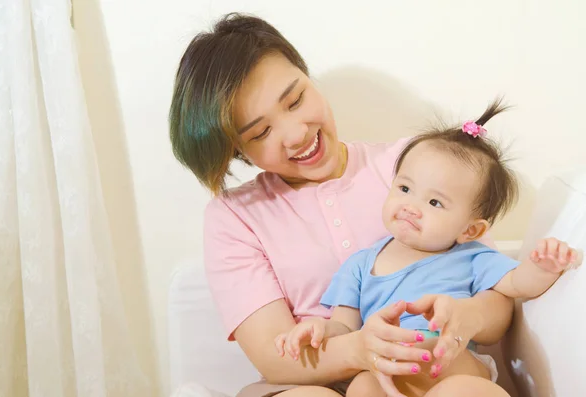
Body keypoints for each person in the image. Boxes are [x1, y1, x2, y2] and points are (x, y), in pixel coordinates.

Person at [169, 12, 516, 397]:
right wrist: (360, 348)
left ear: (307, 76)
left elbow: (497, 296)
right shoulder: (234, 217)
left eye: (296, 99)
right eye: (261, 132)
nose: (296, 134)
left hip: (424, 373)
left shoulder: (411, 166)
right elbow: (274, 356)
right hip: (308, 383)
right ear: (237, 149)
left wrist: (465, 317)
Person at [274, 100, 581, 396]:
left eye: (434, 202)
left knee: (466, 387)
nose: (411, 206)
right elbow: (343, 327)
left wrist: (543, 266)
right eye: (405, 189)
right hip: (385, 371)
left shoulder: (472, 257)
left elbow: (517, 284)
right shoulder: (359, 264)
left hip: (451, 366)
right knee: (363, 386)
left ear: (470, 229)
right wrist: (318, 331)